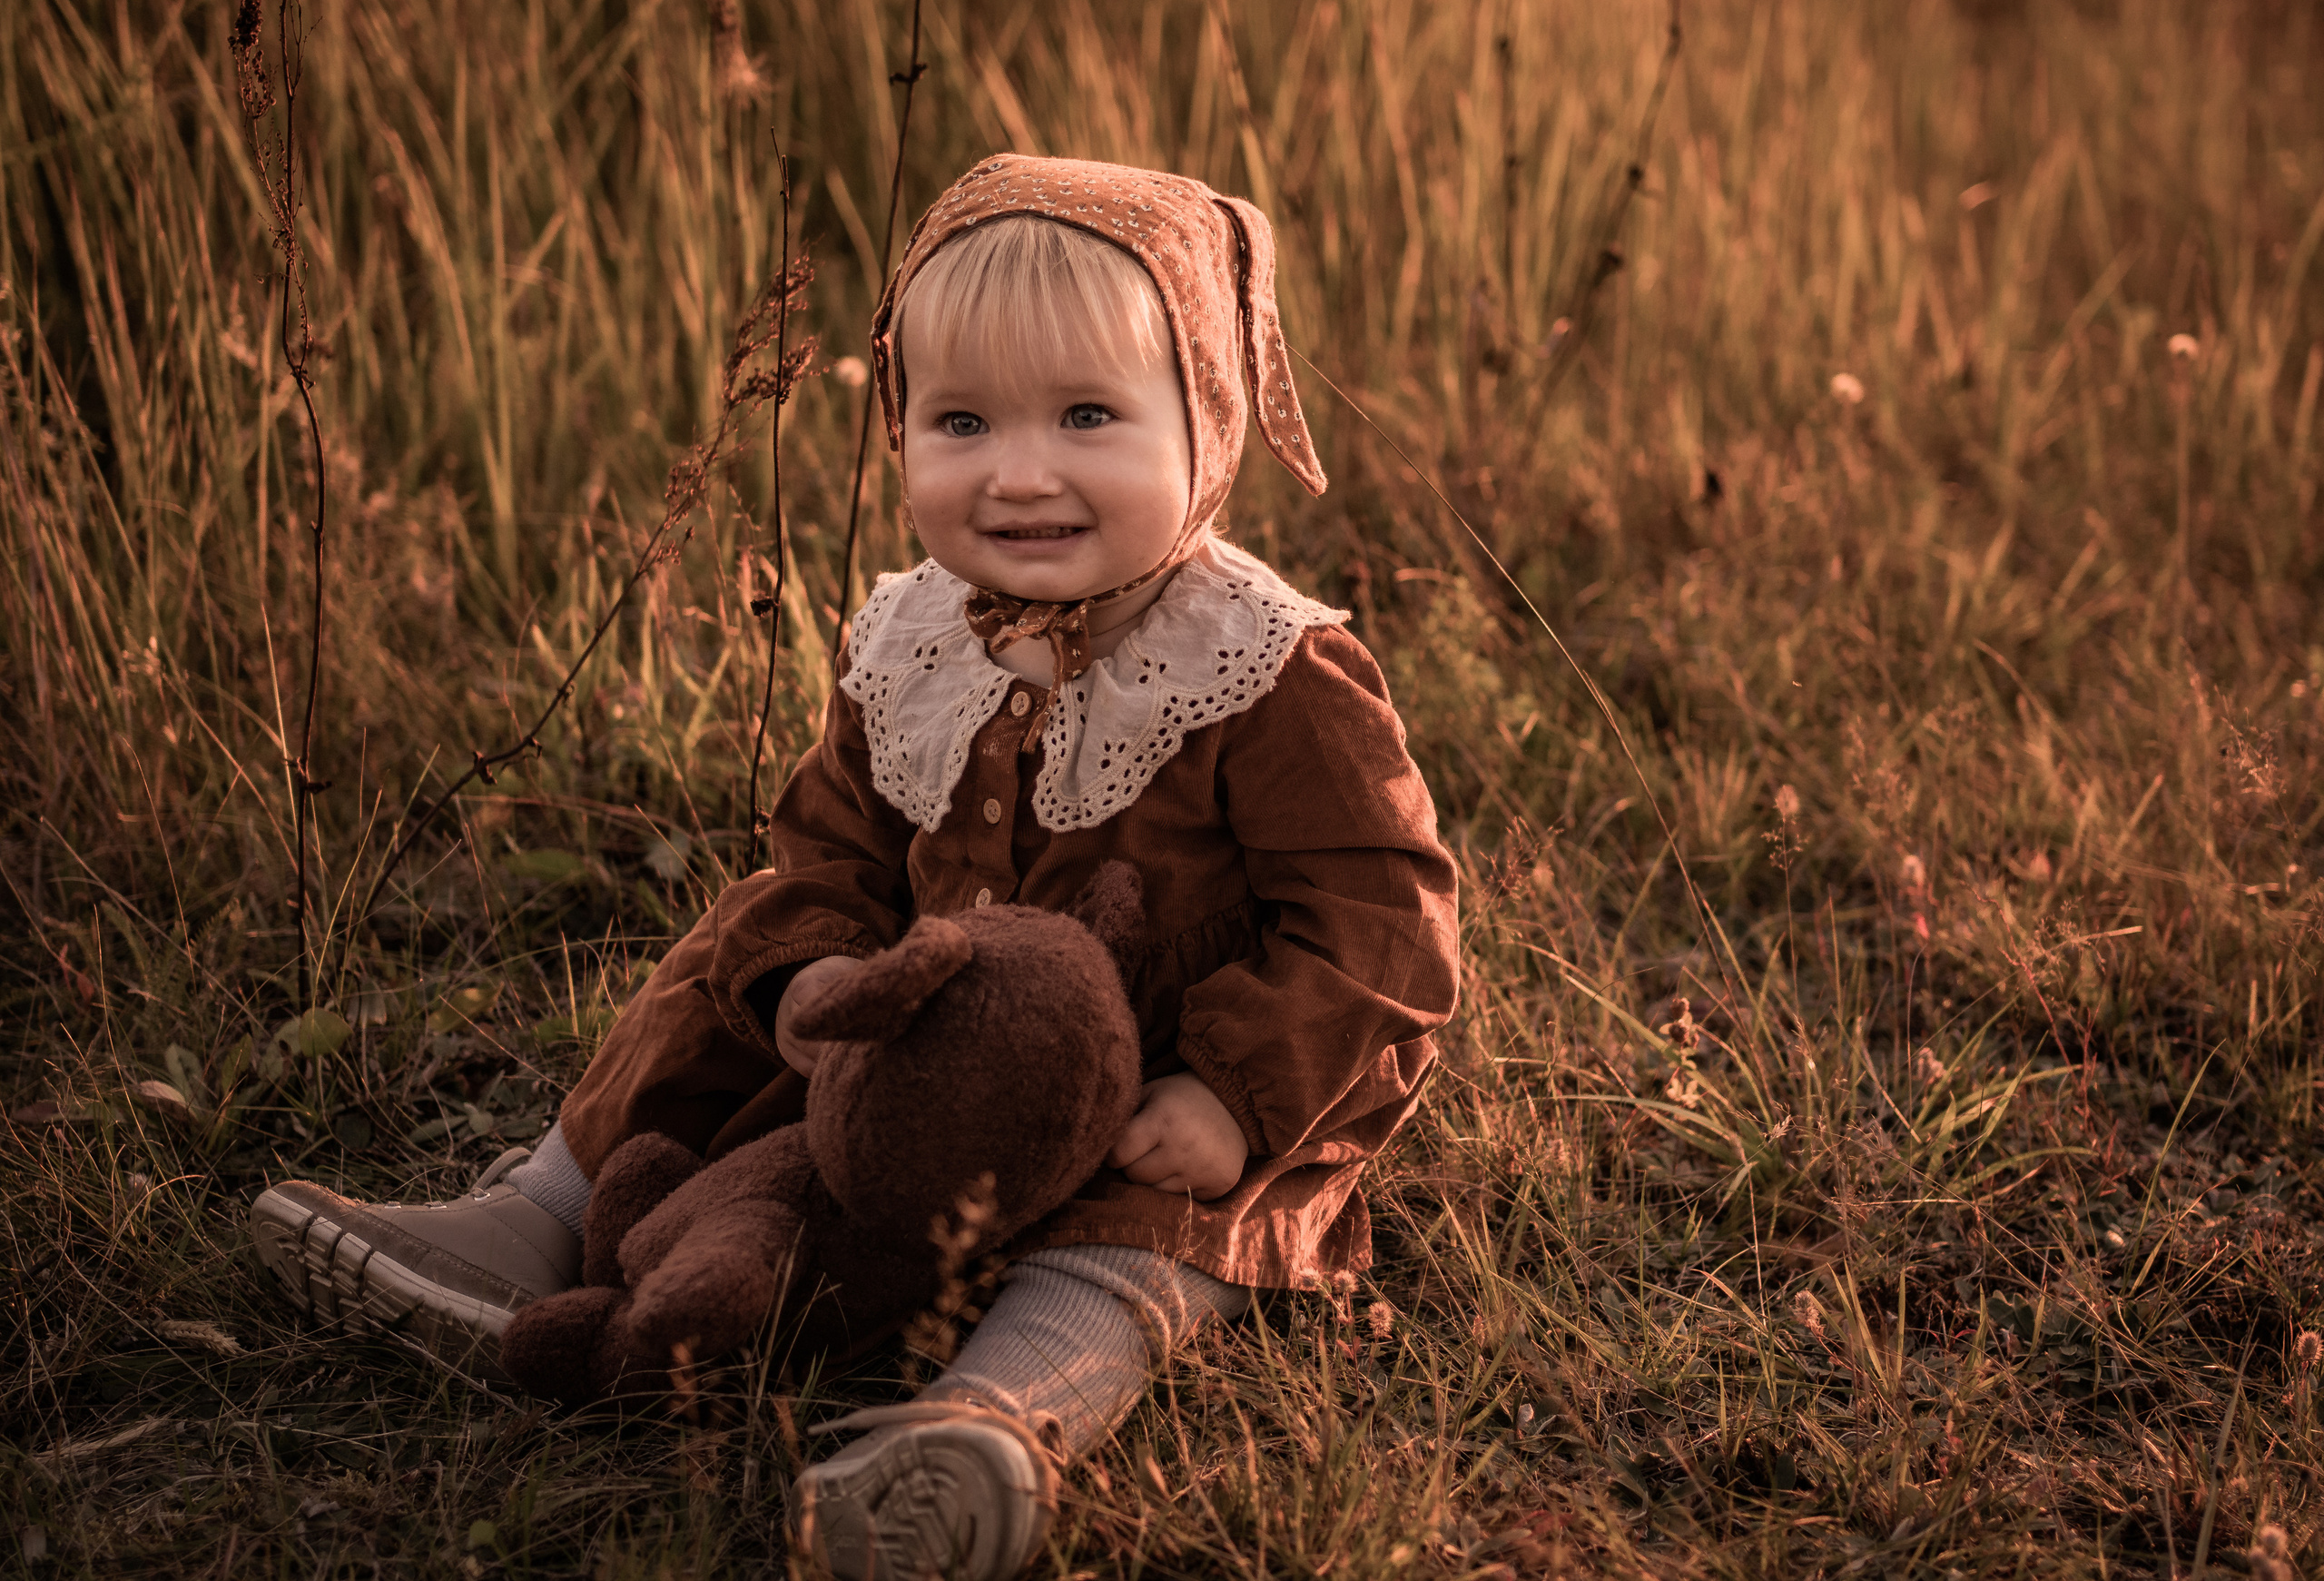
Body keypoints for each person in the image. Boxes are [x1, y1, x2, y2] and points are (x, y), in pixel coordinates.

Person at [250, 153, 1460, 1580]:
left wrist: (1238, 1091)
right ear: (897, 426)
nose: (1019, 472)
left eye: (1087, 415)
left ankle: (990, 1425)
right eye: (960, 419)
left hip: (1157, 1082)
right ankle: (539, 1211)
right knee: (730, 956)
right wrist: (813, 967)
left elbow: (1386, 921)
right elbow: (827, 843)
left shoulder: (1265, 665)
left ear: (1207, 416)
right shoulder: (911, 642)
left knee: (1150, 1230)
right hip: (922, 1049)